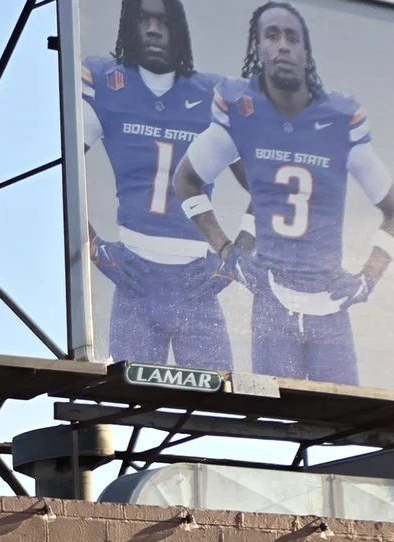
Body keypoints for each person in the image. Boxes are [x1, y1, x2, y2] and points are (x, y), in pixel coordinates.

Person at [173, 1, 394, 385]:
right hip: (272, 304)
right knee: (278, 420)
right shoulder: (241, 109)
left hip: (331, 307)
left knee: (343, 419)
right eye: (272, 35)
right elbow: (186, 180)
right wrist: (226, 252)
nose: (282, 45)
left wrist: (368, 278)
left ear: (304, 51)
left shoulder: (337, 117)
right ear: (258, 48)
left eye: (291, 37)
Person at [80, 0, 231, 371]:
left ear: (178, 28)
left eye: (163, 21)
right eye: (142, 19)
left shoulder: (213, 94)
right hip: (135, 278)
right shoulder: (106, 81)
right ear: (128, 27)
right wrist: (94, 247)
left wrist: (234, 258)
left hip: (198, 280)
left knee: (219, 405)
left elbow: (266, 190)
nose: (152, 29)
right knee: (128, 409)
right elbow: (59, 169)